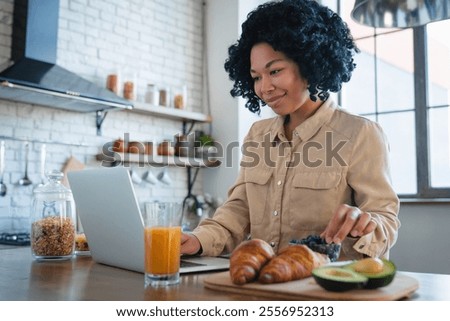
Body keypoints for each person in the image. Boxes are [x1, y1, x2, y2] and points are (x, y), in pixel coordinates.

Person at [181, 0, 400, 260]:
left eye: (274, 71)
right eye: (256, 77)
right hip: (267, 284)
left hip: (328, 290)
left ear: (309, 64)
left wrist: (365, 224)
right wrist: (197, 239)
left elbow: (386, 219)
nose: (264, 88)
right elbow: (239, 209)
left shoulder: (360, 134)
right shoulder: (258, 135)